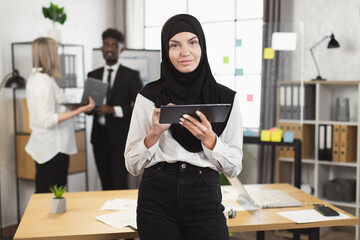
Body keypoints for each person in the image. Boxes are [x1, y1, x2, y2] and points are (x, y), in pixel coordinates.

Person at [125, 14, 243, 240]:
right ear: (165, 50)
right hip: (156, 193)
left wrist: (211, 141)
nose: (185, 52)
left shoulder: (226, 98)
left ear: (202, 45)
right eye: (174, 45)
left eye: (192, 42)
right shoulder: (149, 97)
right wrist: (153, 135)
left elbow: (234, 167)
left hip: (204, 193)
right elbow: (132, 164)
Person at [25, 37, 95, 193]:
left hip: (44, 146)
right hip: (53, 149)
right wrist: (79, 111)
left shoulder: (37, 78)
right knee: (54, 197)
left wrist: (74, 105)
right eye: (56, 52)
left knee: (43, 194)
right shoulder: (44, 82)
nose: (59, 56)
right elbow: (47, 119)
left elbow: (53, 107)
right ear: (48, 55)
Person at [88, 28, 143, 190]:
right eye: (106, 45)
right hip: (99, 138)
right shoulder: (93, 74)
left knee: (119, 183)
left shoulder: (131, 75)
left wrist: (114, 110)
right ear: (102, 48)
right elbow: (87, 107)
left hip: (120, 139)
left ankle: (119, 215)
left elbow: (140, 108)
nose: (110, 49)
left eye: (114, 45)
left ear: (121, 49)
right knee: (105, 183)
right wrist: (90, 108)